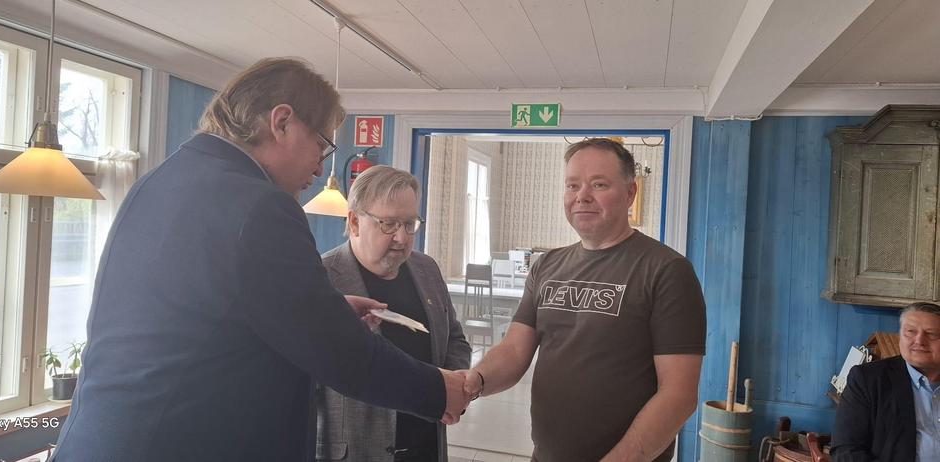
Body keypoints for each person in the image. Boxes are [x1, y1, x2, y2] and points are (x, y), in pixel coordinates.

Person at [50, 58, 470, 461]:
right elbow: (340, 352)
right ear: (282, 122)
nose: (319, 170)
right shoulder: (259, 205)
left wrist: (328, 309)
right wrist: (438, 391)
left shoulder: (159, 180)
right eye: (322, 146)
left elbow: (204, 314)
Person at [459, 138, 706, 462]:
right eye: (572, 185)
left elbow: (678, 394)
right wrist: (475, 381)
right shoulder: (547, 265)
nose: (582, 196)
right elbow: (515, 350)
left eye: (599, 184)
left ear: (630, 193)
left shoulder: (666, 270)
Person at [315, 165, 472, 462]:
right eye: (388, 224)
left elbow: (454, 338)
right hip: (355, 452)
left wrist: (452, 383)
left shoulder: (427, 269)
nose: (402, 237)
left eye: (409, 223)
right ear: (355, 222)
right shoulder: (320, 279)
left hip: (426, 446)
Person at [831, 301, 940, 461]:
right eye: (910, 332)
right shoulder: (867, 379)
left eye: (931, 334)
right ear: (900, 336)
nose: (919, 341)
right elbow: (846, 451)